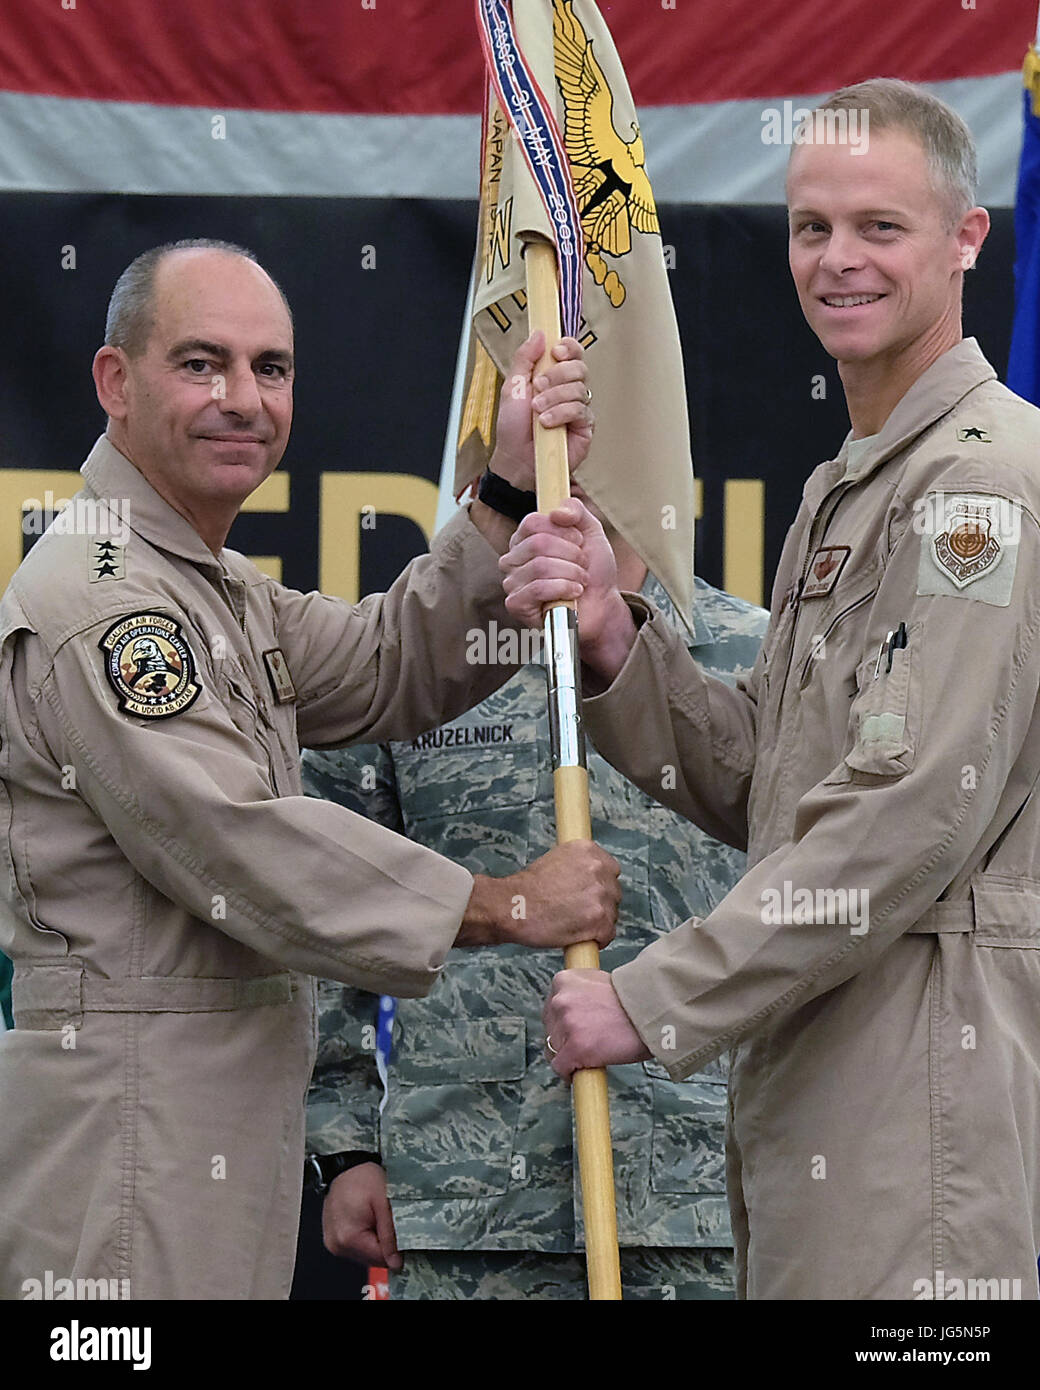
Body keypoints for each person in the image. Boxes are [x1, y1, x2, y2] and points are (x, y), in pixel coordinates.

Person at [0, 238, 618, 1300]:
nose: (242, 398)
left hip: (195, 1124)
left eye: (269, 368)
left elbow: (387, 666)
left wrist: (509, 485)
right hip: (132, 1134)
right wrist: (507, 902)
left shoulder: (211, 583)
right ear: (115, 381)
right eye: (201, 363)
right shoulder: (107, 597)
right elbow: (243, 843)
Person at [504, 79, 1040, 1301]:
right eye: (810, 228)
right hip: (821, 1083)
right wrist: (609, 639)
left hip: (916, 1102)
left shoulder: (979, 486)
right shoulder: (847, 487)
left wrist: (652, 997)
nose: (835, 261)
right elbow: (774, 777)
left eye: (877, 227)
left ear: (966, 238)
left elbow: (902, 815)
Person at [301, 511, 767, 1300]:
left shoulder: (746, 653)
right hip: (468, 1198)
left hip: (697, 1199)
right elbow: (327, 898)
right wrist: (345, 1146)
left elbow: (804, 905)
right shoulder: (424, 661)